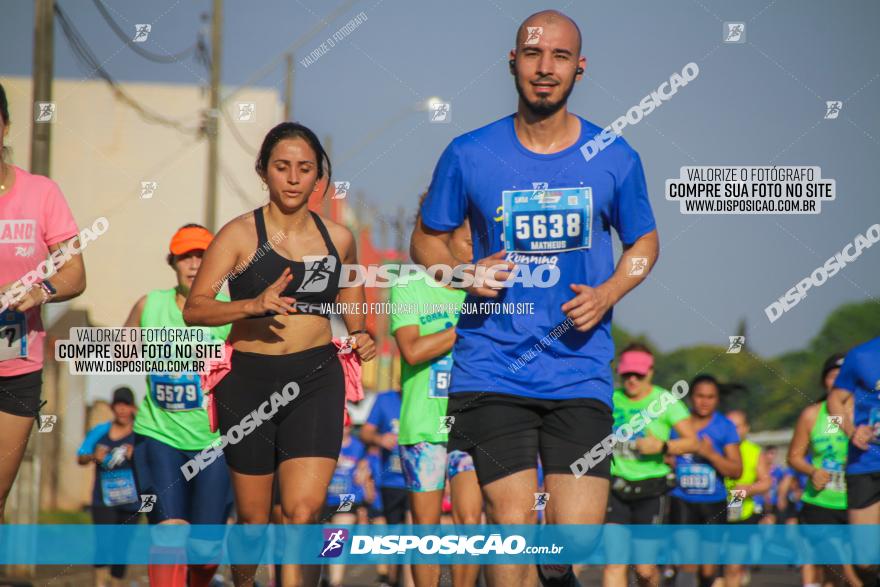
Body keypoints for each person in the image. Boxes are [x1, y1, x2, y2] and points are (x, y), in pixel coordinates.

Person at [409, 10, 659, 587]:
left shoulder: (613, 155)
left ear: (579, 68)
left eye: (560, 57)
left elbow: (644, 240)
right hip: (492, 365)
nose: (545, 69)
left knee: (577, 536)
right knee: (509, 523)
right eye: (533, 55)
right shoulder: (469, 153)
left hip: (580, 368)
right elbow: (425, 235)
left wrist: (611, 290)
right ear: (513, 62)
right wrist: (458, 274)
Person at [182, 122, 375, 587]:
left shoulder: (338, 238)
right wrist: (251, 305)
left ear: (318, 178)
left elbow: (350, 292)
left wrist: (361, 331)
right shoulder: (239, 234)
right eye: (282, 167)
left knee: (303, 511)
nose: (293, 178)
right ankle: (245, 580)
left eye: (304, 169)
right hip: (248, 381)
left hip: (316, 377)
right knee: (252, 519)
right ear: (264, 172)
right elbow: (196, 308)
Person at [124, 224, 233, 587]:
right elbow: (115, 353)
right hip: (159, 435)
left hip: (213, 443)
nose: (194, 263)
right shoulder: (149, 304)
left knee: (205, 550)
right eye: (185, 256)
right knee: (169, 532)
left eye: (202, 255)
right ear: (172, 262)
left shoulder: (227, 314)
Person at [0, 81, 86, 522]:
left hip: (16, 364)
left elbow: (74, 271)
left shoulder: (41, 194)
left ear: (6, 127)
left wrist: (40, 291)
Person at [391, 210, 483, 587]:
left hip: (472, 425)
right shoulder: (409, 286)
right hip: (424, 425)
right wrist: (468, 326)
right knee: (425, 530)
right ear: (443, 240)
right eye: (467, 239)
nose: (474, 248)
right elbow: (412, 350)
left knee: (469, 522)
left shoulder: (486, 291)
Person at [603, 344, 697, 587]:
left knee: (644, 570)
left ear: (651, 372)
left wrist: (662, 446)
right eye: (626, 374)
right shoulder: (611, 398)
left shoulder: (665, 400)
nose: (632, 380)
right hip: (615, 488)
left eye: (638, 374)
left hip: (651, 490)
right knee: (615, 563)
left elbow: (693, 442)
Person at [788, 353, 859, 587]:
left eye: (843, 376)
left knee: (847, 570)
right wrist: (812, 471)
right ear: (823, 382)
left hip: (860, 500)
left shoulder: (867, 412)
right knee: (837, 561)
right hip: (821, 503)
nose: (837, 381)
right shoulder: (811, 415)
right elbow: (794, 457)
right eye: (832, 376)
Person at [668, 375, 742, 587]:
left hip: (713, 503)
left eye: (710, 397)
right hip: (682, 500)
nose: (705, 401)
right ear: (691, 397)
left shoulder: (725, 426)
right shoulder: (679, 424)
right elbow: (665, 452)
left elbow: (736, 470)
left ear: (717, 399)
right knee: (688, 562)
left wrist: (711, 454)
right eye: (700, 396)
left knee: (708, 569)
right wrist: (669, 459)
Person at [828, 337, 880, 587]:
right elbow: (835, 400)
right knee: (864, 560)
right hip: (866, 462)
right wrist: (851, 431)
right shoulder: (861, 356)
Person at [77, 387, 140, 587]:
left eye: (126, 405)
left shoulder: (141, 434)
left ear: (133, 408)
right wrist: (93, 457)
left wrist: (136, 455)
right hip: (103, 500)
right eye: (118, 405)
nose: (122, 410)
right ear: (113, 407)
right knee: (103, 544)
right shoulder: (100, 431)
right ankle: (99, 584)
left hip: (131, 502)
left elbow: (155, 461)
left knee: (122, 548)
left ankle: (116, 583)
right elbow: (80, 457)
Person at [361, 389, 410, 587]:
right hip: (391, 480)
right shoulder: (385, 399)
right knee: (395, 534)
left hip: (420, 480)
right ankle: (391, 579)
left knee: (412, 532)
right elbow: (366, 432)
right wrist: (380, 439)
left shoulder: (430, 395)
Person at [723, 410, 771, 587]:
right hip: (713, 510)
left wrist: (748, 489)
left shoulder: (754, 451)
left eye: (737, 426)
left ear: (746, 428)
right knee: (712, 567)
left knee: (733, 566)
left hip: (741, 513)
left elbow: (766, 483)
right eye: (729, 426)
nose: (733, 430)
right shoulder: (716, 448)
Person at [321, 424, 370, 587]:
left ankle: (336, 582)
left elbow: (365, 466)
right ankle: (327, 577)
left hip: (347, 496)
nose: (343, 428)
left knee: (336, 537)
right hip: (325, 497)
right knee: (324, 541)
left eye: (346, 425)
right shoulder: (325, 443)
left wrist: (363, 473)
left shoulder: (358, 446)